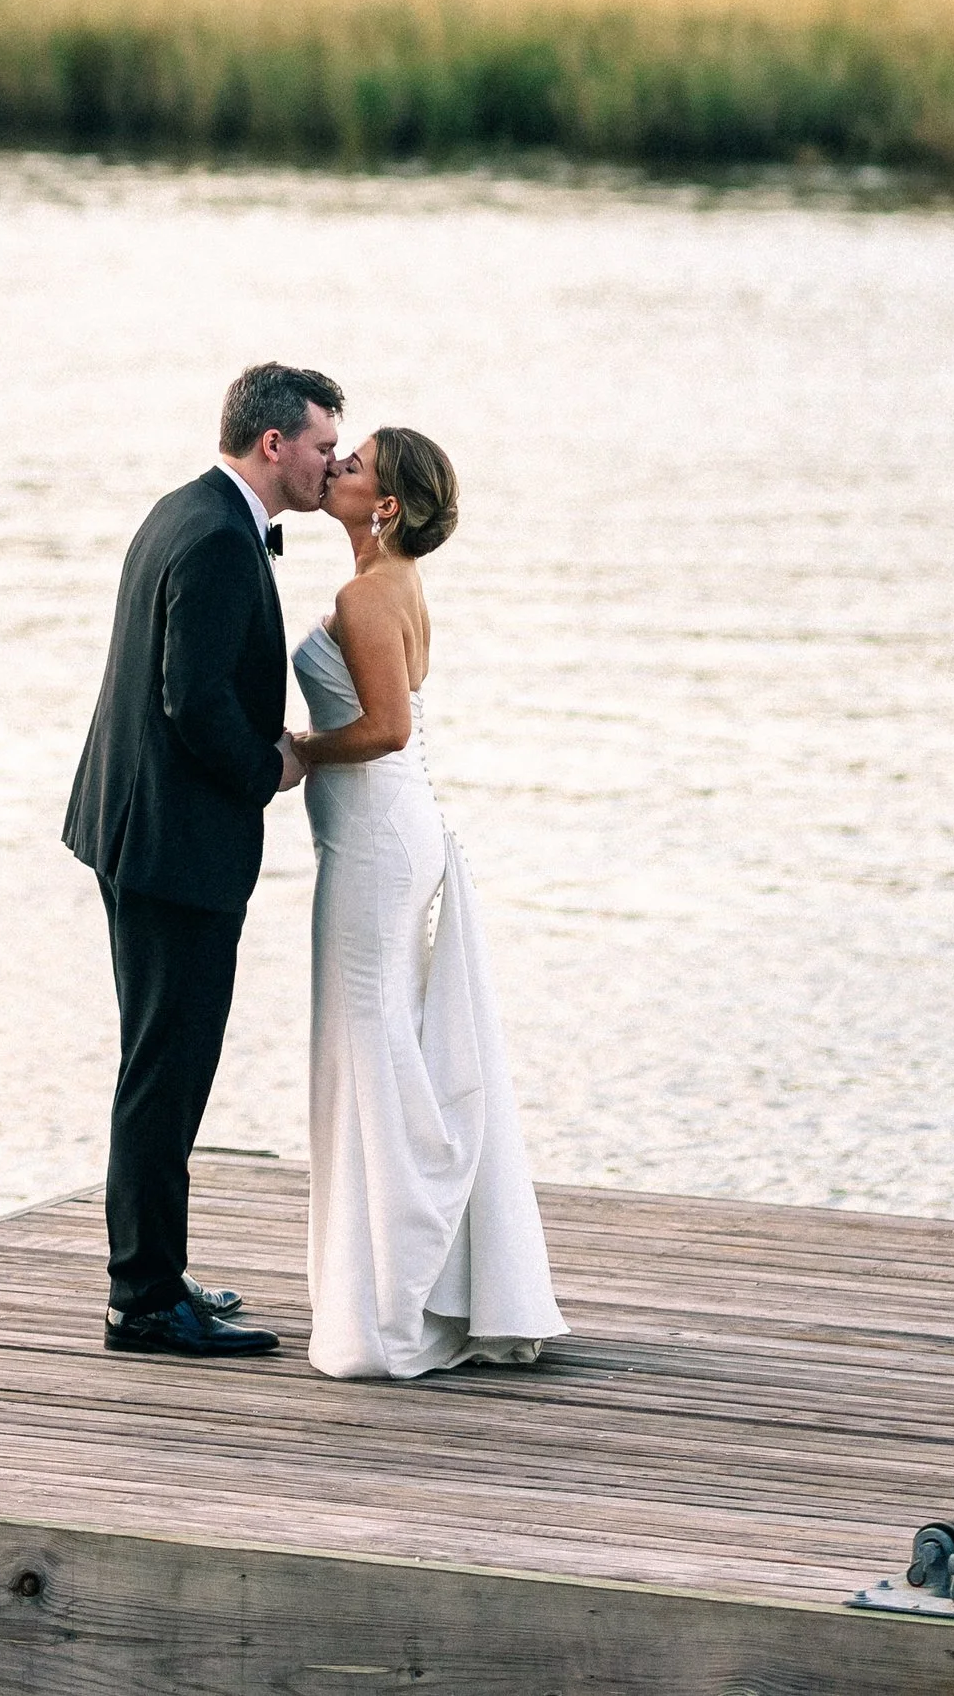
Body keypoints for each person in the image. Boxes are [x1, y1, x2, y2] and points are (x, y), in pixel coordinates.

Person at [62, 358, 342, 1358]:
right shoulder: (221, 539)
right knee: (165, 1070)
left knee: (161, 1060)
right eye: (319, 446)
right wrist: (270, 765)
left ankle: (158, 1270)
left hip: (136, 829)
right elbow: (192, 701)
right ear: (274, 444)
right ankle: (140, 1302)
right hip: (172, 846)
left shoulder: (184, 509)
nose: (331, 462)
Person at [284, 425, 566, 1380]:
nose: (337, 470)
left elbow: (387, 725)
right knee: (382, 1046)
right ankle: (405, 1280)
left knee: (368, 1050)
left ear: (389, 506)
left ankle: (388, 1304)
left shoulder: (368, 592)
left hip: (371, 838)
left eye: (353, 465)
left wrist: (301, 751)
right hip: (388, 831)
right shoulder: (399, 586)